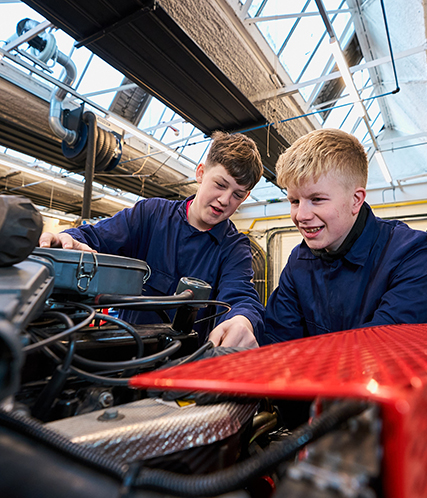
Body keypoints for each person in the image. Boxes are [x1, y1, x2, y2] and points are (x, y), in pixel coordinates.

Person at [39, 131, 265, 348]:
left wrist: (242, 320)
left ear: (245, 197)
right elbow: (94, 236)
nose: (225, 200)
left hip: (188, 363)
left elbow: (240, 296)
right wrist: (65, 239)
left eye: (237, 195)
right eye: (220, 184)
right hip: (128, 354)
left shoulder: (235, 248)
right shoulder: (151, 215)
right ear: (201, 173)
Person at [258, 128, 427, 345]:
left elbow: (383, 346)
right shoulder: (299, 261)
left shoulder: (417, 255)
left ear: (356, 200)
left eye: (317, 199)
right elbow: (276, 341)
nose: (301, 216)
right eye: (294, 201)